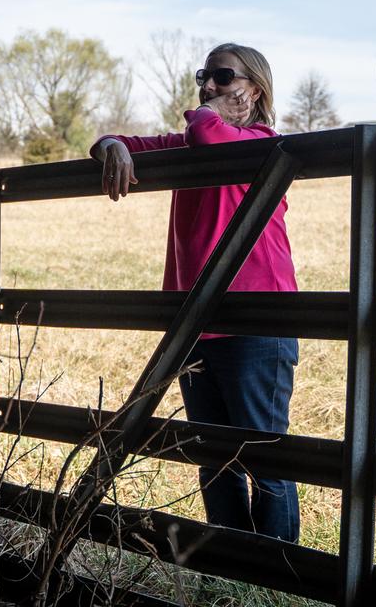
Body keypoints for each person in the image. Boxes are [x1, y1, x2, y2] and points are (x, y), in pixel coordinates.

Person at [90, 42, 300, 543]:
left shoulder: (263, 143)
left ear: (255, 88)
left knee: (263, 457)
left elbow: (207, 135)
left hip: (256, 322)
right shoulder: (195, 137)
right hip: (198, 324)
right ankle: (229, 570)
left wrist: (205, 114)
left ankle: (278, 573)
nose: (208, 86)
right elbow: (116, 141)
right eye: (204, 76)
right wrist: (110, 145)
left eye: (223, 78)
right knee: (213, 459)